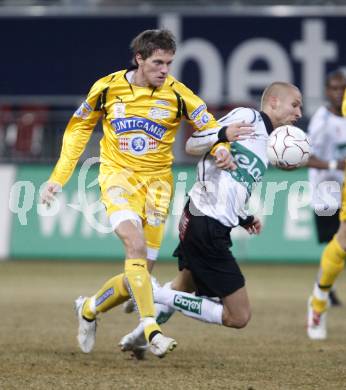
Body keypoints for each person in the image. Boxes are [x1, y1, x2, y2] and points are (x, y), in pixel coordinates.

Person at [40, 29, 253, 358]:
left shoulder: (178, 94)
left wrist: (222, 145)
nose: (165, 69)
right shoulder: (107, 88)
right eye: (158, 62)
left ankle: (88, 309)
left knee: (136, 276)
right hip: (117, 177)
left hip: (157, 187)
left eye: (169, 63)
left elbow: (208, 125)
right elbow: (78, 129)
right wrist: (59, 177)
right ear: (139, 59)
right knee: (134, 247)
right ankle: (152, 330)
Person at [119, 81, 303, 359]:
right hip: (206, 224)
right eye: (295, 104)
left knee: (185, 285)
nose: (300, 112)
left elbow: (232, 187)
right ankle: (151, 292)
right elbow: (193, 143)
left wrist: (244, 217)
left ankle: (140, 339)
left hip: (205, 221)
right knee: (238, 316)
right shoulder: (248, 118)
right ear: (274, 102)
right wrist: (221, 138)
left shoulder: (267, 145)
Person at [307, 72, 346, 340]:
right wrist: (334, 165)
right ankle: (321, 297)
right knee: (339, 243)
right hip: (326, 192)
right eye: (334, 88)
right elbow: (307, 156)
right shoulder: (322, 121)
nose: (338, 92)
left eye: (342, 88)